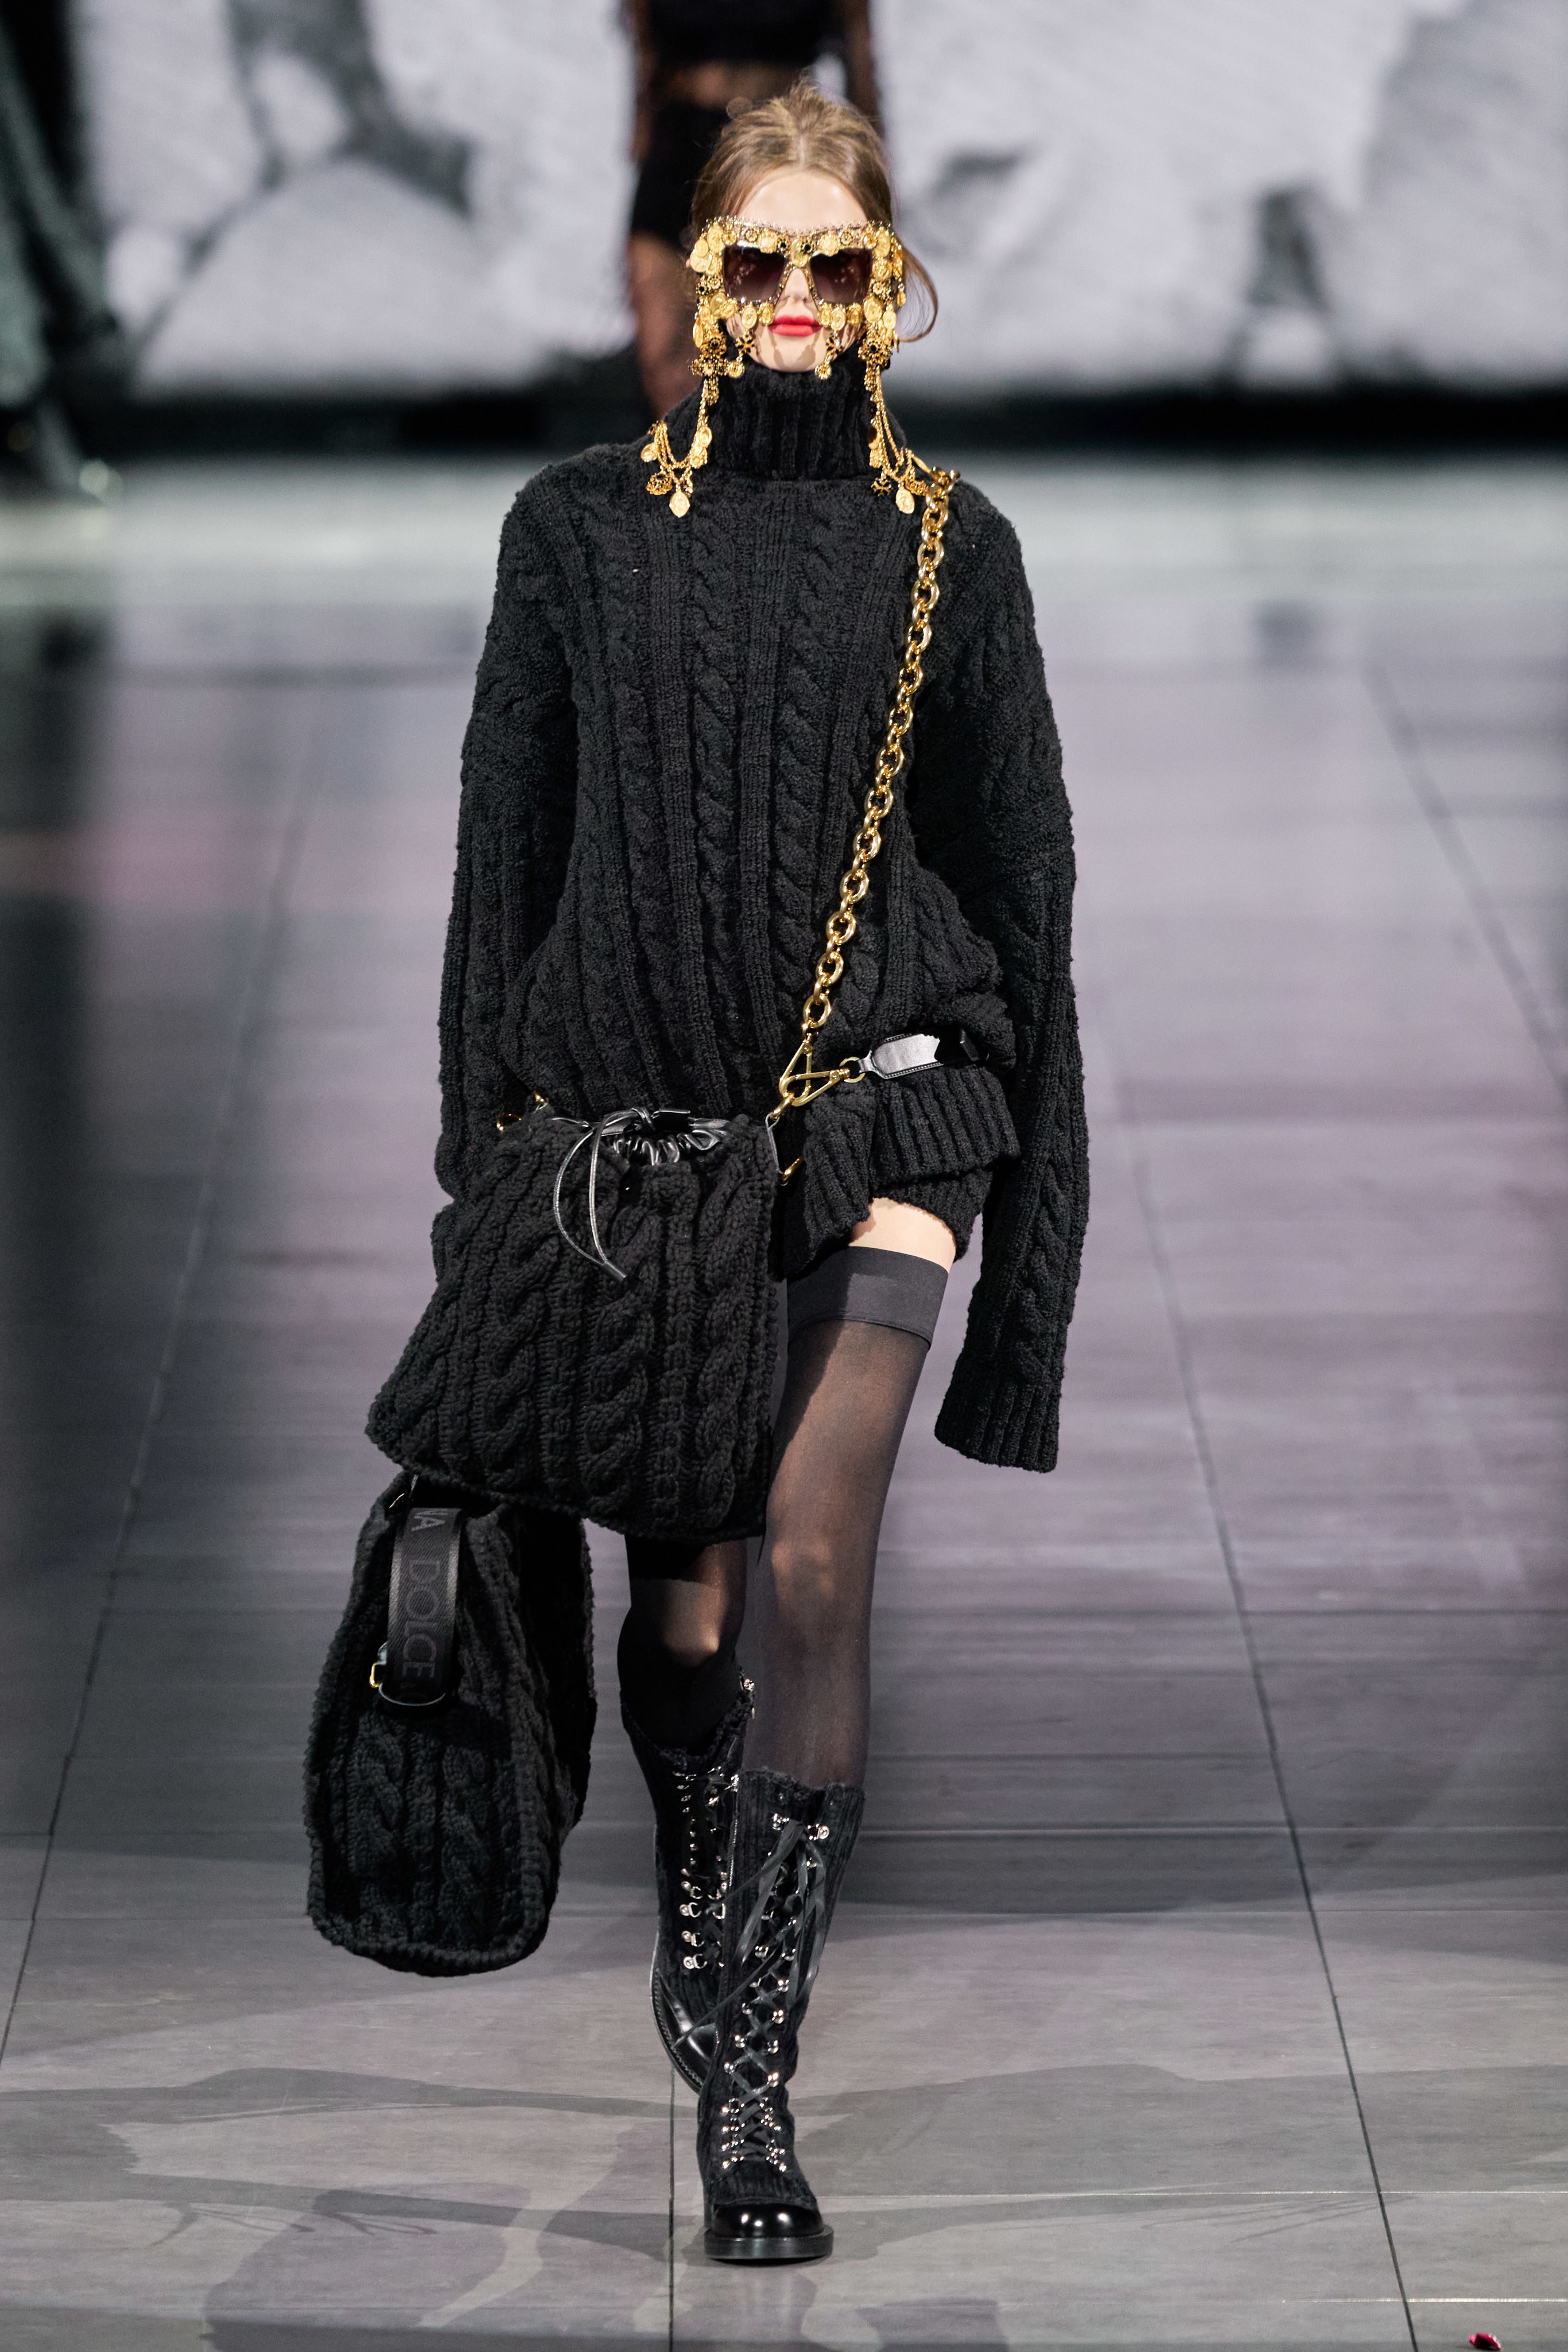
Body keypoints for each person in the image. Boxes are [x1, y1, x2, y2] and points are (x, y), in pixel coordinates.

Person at [440, 83, 1087, 2264]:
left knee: (812, 1552)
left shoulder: (954, 548)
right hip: (648, 1152)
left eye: (839, 260)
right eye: (761, 259)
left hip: (896, 1105)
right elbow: (501, 877)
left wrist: (1031, 1266)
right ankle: (702, 1889)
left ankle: (753, 2080)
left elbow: (1027, 900)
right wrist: (475, 1194)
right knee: (686, 1601)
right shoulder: (572, 533)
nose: (799, 294)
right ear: (699, 281)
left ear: (892, 286)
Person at [624, 0, 878, 415]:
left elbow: (859, 57)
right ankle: (684, 455)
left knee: (773, 347)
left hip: (779, 149)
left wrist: (868, 181)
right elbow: (644, 50)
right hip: (677, 143)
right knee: (667, 351)